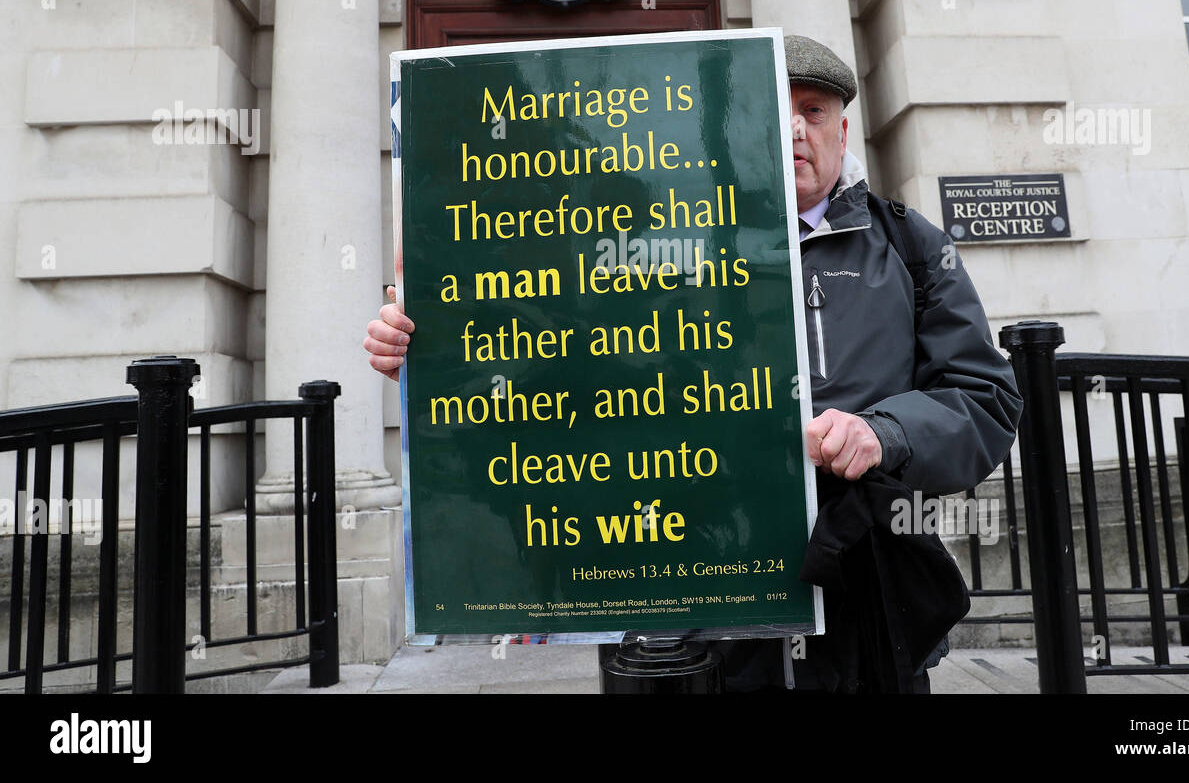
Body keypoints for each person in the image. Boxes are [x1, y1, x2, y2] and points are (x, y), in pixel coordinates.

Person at [363, 34, 1022, 693]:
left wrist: (884, 431)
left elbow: (983, 399)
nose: (794, 125)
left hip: (862, 591)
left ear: (841, 128)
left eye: (814, 110)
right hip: (688, 598)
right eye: (774, 104)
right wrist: (438, 365)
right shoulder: (645, 249)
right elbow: (563, 393)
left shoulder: (909, 246)